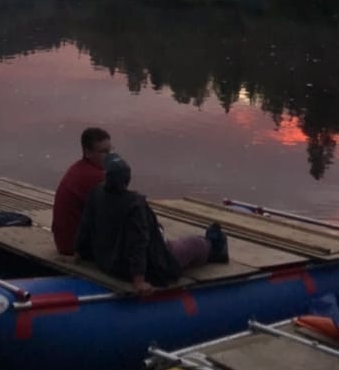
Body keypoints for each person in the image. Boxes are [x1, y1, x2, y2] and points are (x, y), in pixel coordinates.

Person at [76, 153, 228, 294]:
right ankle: (214, 247)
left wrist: (79, 253)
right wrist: (139, 280)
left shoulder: (96, 192)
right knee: (194, 244)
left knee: (169, 239)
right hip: (138, 266)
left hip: (107, 261)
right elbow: (138, 242)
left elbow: (85, 227)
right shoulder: (134, 205)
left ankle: (209, 246)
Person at [52, 126, 112, 254]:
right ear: (88, 152)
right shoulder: (94, 177)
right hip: (74, 246)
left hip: (63, 240)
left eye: (110, 151)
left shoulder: (78, 168)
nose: (110, 156)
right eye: (103, 152)